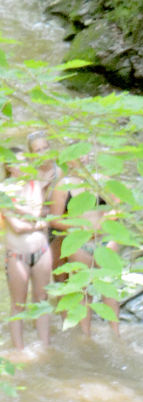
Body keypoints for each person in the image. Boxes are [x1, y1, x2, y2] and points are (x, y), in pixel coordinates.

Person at [2, 131, 56, 354]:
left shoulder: (34, 186)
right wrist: (37, 220)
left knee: (42, 300)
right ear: (10, 168)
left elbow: (35, 215)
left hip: (42, 250)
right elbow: (18, 226)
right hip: (18, 255)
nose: (23, 167)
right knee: (18, 304)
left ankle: (45, 346)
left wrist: (24, 213)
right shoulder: (3, 190)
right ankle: (19, 349)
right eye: (18, 164)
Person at [49, 173, 120, 339]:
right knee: (82, 291)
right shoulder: (63, 185)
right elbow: (55, 219)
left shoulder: (103, 179)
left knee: (109, 289)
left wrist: (104, 224)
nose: (83, 157)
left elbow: (117, 206)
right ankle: (86, 335)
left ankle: (116, 334)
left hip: (105, 240)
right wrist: (79, 230)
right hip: (80, 243)